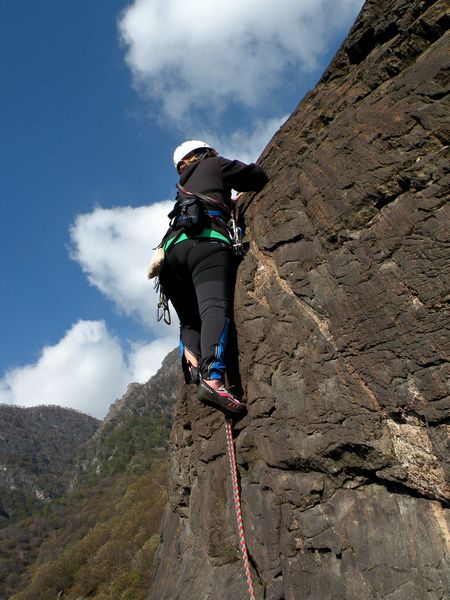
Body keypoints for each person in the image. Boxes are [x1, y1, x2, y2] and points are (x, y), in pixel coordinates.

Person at [157, 140, 268, 419]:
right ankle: (212, 379)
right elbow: (256, 177)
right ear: (205, 152)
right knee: (213, 308)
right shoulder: (213, 165)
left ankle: (193, 363)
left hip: (171, 257)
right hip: (206, 246)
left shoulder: (182, 190)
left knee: (190, 320)